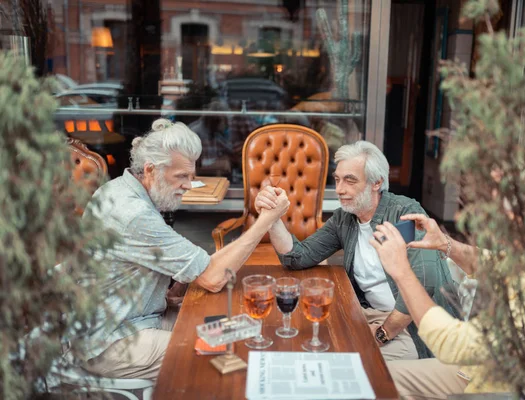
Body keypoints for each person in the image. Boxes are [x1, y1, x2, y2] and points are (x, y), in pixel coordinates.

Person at [80, 118, 290, 380]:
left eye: (191, 176)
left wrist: (166, 287)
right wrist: (266, 221)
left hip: (130, 317)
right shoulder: (134, 213)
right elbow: (213, 278)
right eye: (181, 176)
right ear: (150, 170)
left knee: (231, 324)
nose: (189, 185)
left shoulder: (117, 190)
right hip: (110, 341)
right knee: (222, 351)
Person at [254, 141, 460, 365]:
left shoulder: (405, 214)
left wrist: (382, 334)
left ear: (377, 182)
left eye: (350, 180)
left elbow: (425, 284)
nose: (340, 189)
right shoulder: (346, 218)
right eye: (337, 179)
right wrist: (271, 217)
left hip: (415, 328)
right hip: (368, 313)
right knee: (303, 338)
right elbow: (297, 257)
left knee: (340, 361)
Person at [370, 213, 509, 398]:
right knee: (376, 377)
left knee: (376, 381)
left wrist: (401, 270)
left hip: (496, 387)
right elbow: (493, 264)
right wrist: (444, 242)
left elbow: (455, 345)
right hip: (477, 368)